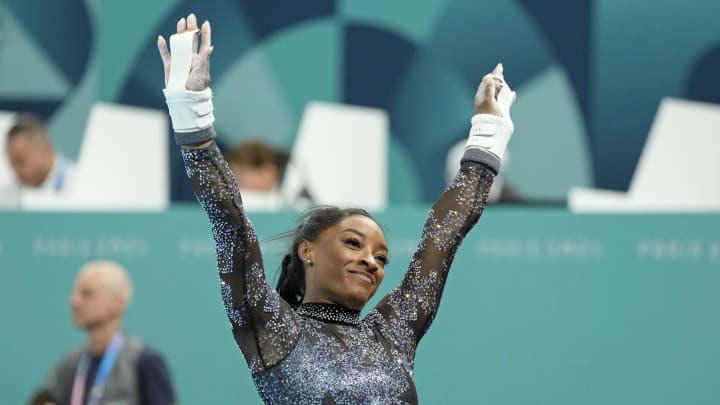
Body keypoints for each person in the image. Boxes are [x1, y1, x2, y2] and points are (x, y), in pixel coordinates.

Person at [157, 13, 516, 404]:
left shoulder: (392, 335)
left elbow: (442, 239)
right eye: (353, 243)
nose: (372, 262)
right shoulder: (274, 329)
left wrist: (487, 133)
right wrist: (191, 114)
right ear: (306, 250)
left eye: (380, 257)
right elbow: (231, 223)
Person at [32, 260, 176, 405]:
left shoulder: (143, 361)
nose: (74, 301)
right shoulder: (71, 364)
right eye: (75, 293)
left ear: (117, 303)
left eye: (87, 294)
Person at [3, 114, 76, 203]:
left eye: (20, 161)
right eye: (12, 164)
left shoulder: (81, 185)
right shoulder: (8, 196)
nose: (16, 173)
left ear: (45, 150)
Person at [224, 139, 290, 211]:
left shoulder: (291, 199)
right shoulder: (236, 197)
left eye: (240, 174)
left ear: (266, 172)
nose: (234, 180)